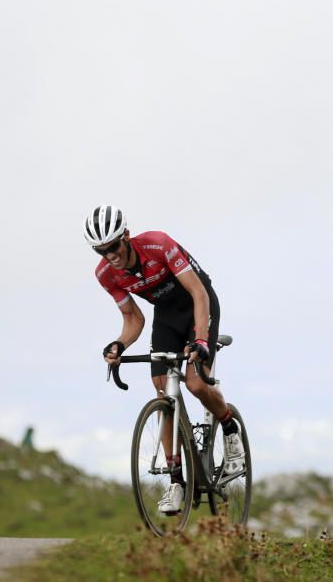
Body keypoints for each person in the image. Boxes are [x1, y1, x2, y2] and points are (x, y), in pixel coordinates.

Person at [85, 204, 244, 515]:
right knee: (162, 388)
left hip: (197, 303)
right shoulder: (106, 274)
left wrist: (200, 341)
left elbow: (198, 293)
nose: (110, 255)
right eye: (101, 251)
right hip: (166, 317)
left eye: (114, 246)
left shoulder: (158, 245)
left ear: (126, 237)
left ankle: (228, 427)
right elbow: (133, 318)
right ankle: (176, 481)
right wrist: (119, 344)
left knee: (196, 383)